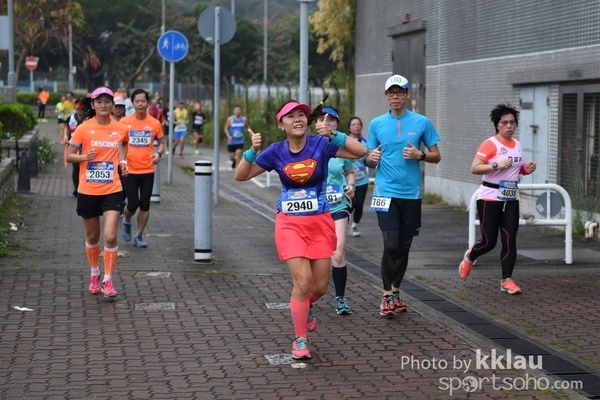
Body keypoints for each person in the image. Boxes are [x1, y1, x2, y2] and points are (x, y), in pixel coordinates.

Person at [234, 96, 366, 360]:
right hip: (290, 225)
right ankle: (300, 339)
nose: (298, 119)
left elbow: (360, 152)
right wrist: (252, 151)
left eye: (301, 115)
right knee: (303, 281)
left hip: (320, 223)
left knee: (319, 288)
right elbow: (241, 175)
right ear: (281, 124)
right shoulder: (275, 151)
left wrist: (335, 134)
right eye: (291, 116)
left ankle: (305, 306)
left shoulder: (321, 144)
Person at [366, 74, 442, 317]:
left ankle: (396, 291)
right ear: (386, 96)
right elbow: (368, 158)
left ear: (408, 94)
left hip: (412, 194)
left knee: (404, 246)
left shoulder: (422, 122)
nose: (395, 97)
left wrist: (421, 155)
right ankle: (386, 295)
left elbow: (436, 156)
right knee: (391, 244)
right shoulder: (376, 124)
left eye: (400, 92)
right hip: (384, 192)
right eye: (391, 93)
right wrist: (371, 159)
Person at [458, 104, 537, 295]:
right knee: (488, 242)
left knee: (510, 240)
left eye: (512, 122)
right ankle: (470, 256)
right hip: (489, 199)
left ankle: (506, 280)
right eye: (504, 123)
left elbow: (515, 169)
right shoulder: (490, 144)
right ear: (497, 125)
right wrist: (495, 165)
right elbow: (475, 168)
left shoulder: (517, 144)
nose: (509, 126)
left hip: (510, 199)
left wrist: (526, 169)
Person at [66, 86, 129, 298]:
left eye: (107, 101)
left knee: (110, 236)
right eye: (99, 101)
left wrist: (123, 162)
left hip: (113, 189)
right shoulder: (83, 128)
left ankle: (108, 280)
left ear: (113, 105)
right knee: (93, 236)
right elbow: (69, 155)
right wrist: (85, 157)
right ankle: (94, 273)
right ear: (92, 105)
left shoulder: (121, 128)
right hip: (88, 189)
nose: (103, 105)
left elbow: (124, 144)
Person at [316, 106, 356, 315]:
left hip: (338, 204)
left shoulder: (341, 146)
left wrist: (351, 184)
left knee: (337, 252)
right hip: (315, 208)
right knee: (314, 256)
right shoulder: (308, 145)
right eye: (322, 119)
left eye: (331, 119)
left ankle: (340, 298)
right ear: (315, 123)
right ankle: (308, 298)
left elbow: (349, 171)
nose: (327, 122)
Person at [119, 89, 165, 248]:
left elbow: (162, 143)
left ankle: (138, 236)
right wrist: (121, 161)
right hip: (129, 170)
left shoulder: (154, 123)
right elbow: (119, 144)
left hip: (147, 170)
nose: (140, 104)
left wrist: (158, 153)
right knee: (132, 204)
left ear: (148, 103)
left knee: (145, 205)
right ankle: (127, 220)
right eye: (137, 101)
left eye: (143, 101)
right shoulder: (124, 122)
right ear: (132, 103)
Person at [347, 116, 369, 237]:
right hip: (347, 180)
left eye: (358, 124)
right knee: (349, 205)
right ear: (349, 128)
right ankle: (341, 224)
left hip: (362, 180)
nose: (356, 127)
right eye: (353, 124)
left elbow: (368, 160)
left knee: (359, 205)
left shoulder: (365, 143)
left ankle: (354, 226)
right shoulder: (344, 141)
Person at [66, 98, 89, 197]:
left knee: (84, 167)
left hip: (86, 146)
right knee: (76, 168)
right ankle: (77, 188)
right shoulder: (70, 118)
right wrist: (65, 138)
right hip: (74, 146)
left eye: (82, 108)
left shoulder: (88, 119)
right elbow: (67, 130)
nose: (80, 110)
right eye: (78, 108)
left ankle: (84, 187)